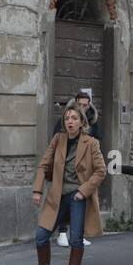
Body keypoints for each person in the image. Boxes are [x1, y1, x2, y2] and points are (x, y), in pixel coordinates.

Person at [27, 103, 106, 265]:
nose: (70, 122)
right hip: (57, 195)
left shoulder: (91, 143)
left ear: (81, 122)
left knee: (76, 239)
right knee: (41, 236)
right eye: (67, 118)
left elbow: (101, 171)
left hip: (78, 196)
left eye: (74, 118)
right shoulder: (58, 139)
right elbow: (43, 165)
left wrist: (84, 191)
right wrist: (37, 190)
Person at [52, 91, 101, 248]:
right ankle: (61, 233)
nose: (83, 107)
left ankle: (78, 234)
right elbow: (56, 141)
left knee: (80, 204)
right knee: (62, 201)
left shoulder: (92, 120)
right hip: (66, 170)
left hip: (84, 171)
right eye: (80, 104)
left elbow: (98, 139)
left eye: (86, 105)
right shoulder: (66, 120)